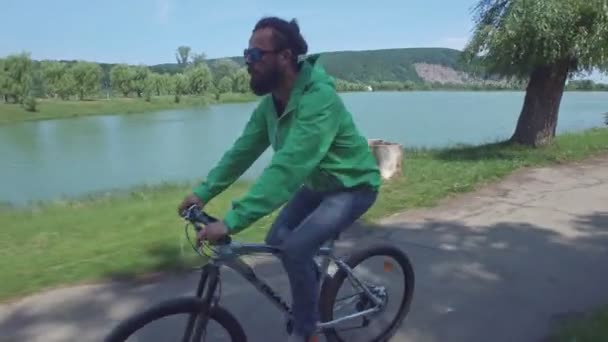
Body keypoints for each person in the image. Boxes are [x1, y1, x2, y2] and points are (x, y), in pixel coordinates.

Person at [178, 16, 381, 342]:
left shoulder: (320, 100)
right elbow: (240, 153)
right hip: (318, 186)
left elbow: (288, 169)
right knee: (278, 240)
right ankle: (312, 301)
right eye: (247, 54)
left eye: (256, 55)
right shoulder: (270, 106)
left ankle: (306, 332)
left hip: (353, 187)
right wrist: (202, 193)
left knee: (296, 249)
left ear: (285, 57)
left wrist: (231, 222)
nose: (248, 62)